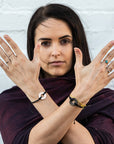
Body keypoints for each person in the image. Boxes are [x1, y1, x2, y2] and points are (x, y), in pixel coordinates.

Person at [0, 3, 114, 144]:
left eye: (65, 41)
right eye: (46, 43)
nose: (55, 52)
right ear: (33, 46)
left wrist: (82, 93)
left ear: (77, 43)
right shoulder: (11, 100)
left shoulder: (102, 99)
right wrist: (33, 87)